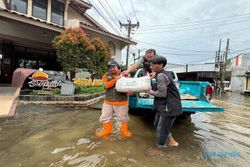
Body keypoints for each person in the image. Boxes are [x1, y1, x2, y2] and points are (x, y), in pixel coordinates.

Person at [145, 56, 183, 157]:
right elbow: (161, 89)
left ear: (161, 65)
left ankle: (159, 148)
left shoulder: (161, 76)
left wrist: (150, 92)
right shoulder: (161, 74)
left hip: (168, 106)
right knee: (157, 124)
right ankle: (170, 140)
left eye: (153, 64)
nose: (151, 66)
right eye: (151, 64)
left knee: (161, 129)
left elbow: (162, 94)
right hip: (165, 105)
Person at [96, 60, 133, 138]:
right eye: (109, 67)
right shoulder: (106, 76)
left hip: (122, 102)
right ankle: (107, 130)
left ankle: (124, 131)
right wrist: (116, 80)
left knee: (123, 118)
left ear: (118, 67)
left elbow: (129, 88)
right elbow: (105, 86)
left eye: (113, 67)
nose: (111, 69)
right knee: (105, 117)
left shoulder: (125, 76)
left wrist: (130, 92)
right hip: (108, 102)